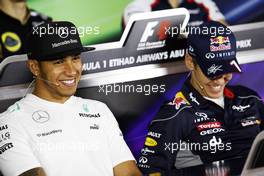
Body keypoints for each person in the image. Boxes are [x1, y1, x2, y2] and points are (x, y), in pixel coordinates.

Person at [0, 21, 142, 176]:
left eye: (75, 58)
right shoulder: (9, 121)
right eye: (59, 62)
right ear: (35, 67)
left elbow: (128, 172)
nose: (71, 71)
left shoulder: (99, 109)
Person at [137, 21, 264, 175]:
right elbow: (150, 173)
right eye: (212, 72)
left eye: (226, 70)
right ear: (190, 62)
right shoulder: (174, 116)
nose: (219, 80)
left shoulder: (249, 98)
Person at [122, 0, 226, 28]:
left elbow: (225, 31)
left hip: (199, 66)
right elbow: (137, 45)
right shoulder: (138, 7)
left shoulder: (202, 2)